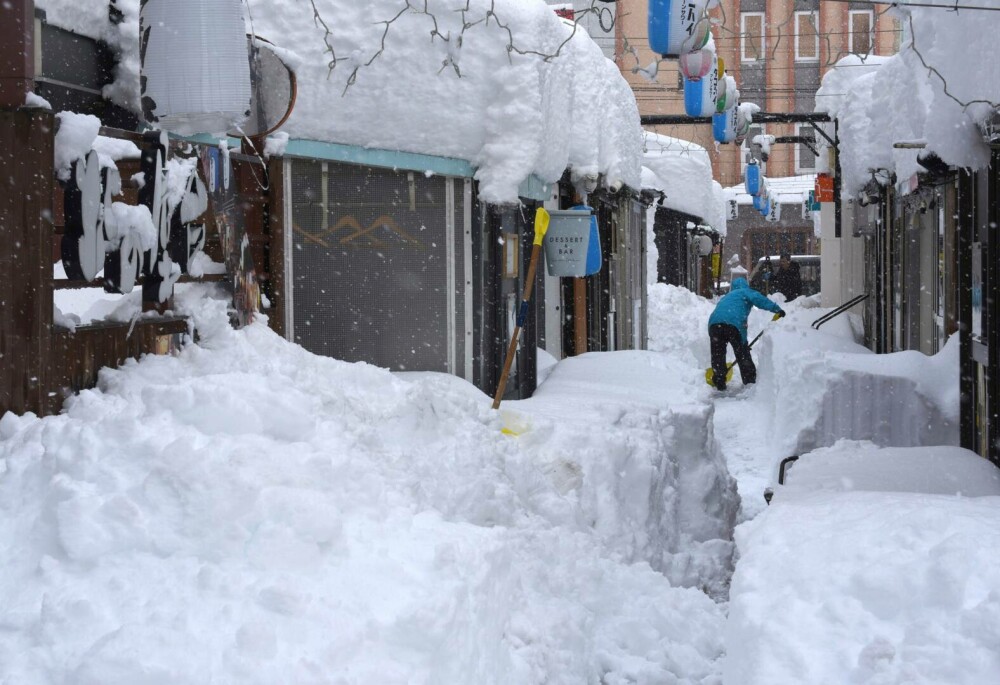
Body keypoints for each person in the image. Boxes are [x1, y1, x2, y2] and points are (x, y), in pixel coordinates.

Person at [708, 276, 785, 391]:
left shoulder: (727, 296)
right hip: (733, 323)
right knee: (742, 353)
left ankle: (719, 380)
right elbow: (760, 300)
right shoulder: (745, 291)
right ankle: (750, 381)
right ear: (746, 285)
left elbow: (721, 312)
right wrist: (776, 309)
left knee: (717, 354)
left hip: (714, 324)